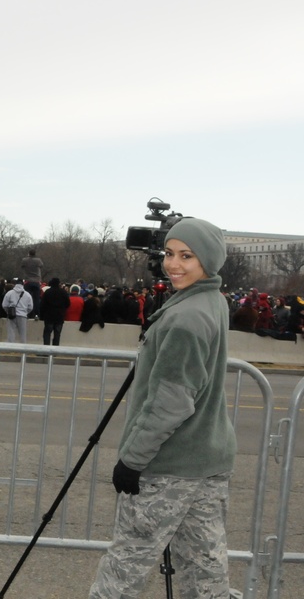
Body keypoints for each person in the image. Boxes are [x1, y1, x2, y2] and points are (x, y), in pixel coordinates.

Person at [89, 218, 236, 597]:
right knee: (205, 568)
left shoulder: (187, 317)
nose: (174, 264)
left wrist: (133, 460)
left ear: (209, 260)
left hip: (169, 466)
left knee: (126, 567)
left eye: (187, 256)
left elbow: (172, 402)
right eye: (170, 253)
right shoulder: (212, 301)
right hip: (209, 461)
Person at [40, 278, 71, 346]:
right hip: (59, 316)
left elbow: (42, 304)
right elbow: (68, 304)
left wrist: (42, 315)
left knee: (47, 334)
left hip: (49, 316)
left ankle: (46, 350)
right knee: (57, 335)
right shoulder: (63, 292)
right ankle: (55, 351)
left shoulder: (48, 292)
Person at [21, 249, 43, 318]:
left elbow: (22, 266)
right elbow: (41, 266)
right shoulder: (38, 260)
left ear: (29, 253)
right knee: (36, 299)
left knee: (26, 298)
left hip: (28, 281)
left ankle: (26, 313)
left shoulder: (24, 260)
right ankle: (36, 314)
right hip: (36, 281)